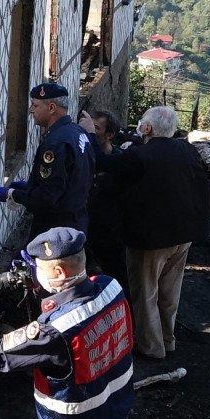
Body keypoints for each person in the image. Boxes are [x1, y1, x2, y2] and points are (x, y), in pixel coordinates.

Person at [0, 227, 148, 419]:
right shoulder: (111, 288)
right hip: (113, 409)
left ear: (58, 271)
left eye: (38, 267)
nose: (34, 273)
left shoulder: (56, 329)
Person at [81, 106, 210, 361]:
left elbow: (106, 163)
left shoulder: (141, 156)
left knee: (145, 291)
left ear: (148, 128)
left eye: (142, 123)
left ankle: (150, 348)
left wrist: (88, 134)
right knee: (169, 291)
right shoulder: (186, 149)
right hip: (183, 235)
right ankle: (167, 339)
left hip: (151, 238)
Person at [0, 82, 95, 236]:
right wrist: (32, 185)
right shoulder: (78, 132)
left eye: (35, 106)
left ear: (51, 108)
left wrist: (12, 194)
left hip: (56, 232)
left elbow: (47, 197)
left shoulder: (55, 144)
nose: (30, 110)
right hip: (76, 223)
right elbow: (68, 180)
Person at [85, 110, 129, 288]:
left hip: (110, 234)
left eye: (95, 128)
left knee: (116, 278)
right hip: (85, 229)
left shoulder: (120, 161)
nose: (90, 132)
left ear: (110, 135)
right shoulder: (83, 156)